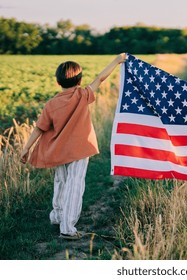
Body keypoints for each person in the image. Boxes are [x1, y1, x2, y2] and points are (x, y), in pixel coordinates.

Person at [21, 53, 127, 240]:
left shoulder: (51, 104)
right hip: (80, 149)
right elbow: (101, 78)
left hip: (58, 151)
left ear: (57, 81)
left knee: (60, 182)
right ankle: (67, 228)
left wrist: (26, 148)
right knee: (74, 185)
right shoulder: (83, 94)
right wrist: (117, 60)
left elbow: (39, 128)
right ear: (79, 80)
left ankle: (57, 216)